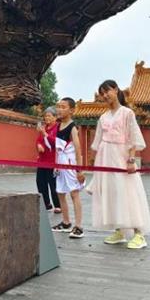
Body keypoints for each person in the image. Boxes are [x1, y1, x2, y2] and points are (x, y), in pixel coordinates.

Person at [91, 79, 150, 250]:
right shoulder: (103, 117)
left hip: (122, 158)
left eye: (107, 91)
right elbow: (97, 142)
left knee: (128, 193)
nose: (105, 95)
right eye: (102, 93)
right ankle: (119, 231)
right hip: (105, 158)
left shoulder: (127, 113)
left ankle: (139, 233)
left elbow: (133, 138)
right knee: (111, 193)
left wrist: (131, 160)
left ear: (116, 90)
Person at [51, 98, 86, 238]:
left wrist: (79, 170)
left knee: (74, 194)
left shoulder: (72, 127)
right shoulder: (58, 125)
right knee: (60, 193)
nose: (59, 109)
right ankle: (66, 222)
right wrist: (55, 164)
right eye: (58, 106)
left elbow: (78, 149)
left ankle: (79, 226)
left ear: (71, 110)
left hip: (70, 163)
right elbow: (57, 148)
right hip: (60, 164)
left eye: (63, 107)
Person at [35, 107, 61, 213]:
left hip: (53, 161)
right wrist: (38, 145)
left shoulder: (58, 128)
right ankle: (46, 203)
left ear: (55, 117)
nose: (47, 118)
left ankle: (58, 205)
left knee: (53, 184)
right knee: (40, 183)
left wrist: (45, 134)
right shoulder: (43, 128)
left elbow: (56, 142)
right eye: (45, 116)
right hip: (42, 161)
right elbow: (38, 140)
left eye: (49, 116)